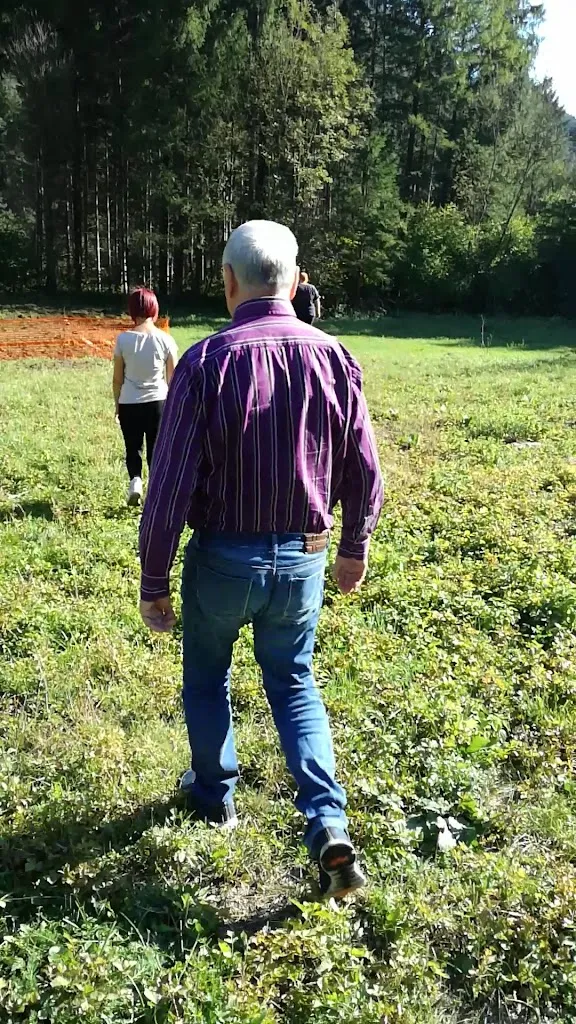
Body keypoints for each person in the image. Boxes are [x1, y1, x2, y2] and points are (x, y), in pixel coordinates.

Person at [138, 221, 383, 899]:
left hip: (220, 561)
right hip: (303, 557)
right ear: (297, 282)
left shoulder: (207, 360)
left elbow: (169, 485)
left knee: (207, 677)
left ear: (228, 282)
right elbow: (365, 470)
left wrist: (153, 580)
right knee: (296, 684)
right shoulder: (335, 356)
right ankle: (327, 823)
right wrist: (354, 546)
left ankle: (215, 795)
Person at [113, 286, 177, 506]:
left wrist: (117, 405)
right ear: (154, 309)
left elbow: (117, 379)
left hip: (129, 402)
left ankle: (135, 482)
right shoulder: (166, 340)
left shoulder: (123, 340)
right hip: (158, 402)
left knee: (132, 446)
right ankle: (155, 491)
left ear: (132, 311)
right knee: (156, 448)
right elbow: (173, 377)